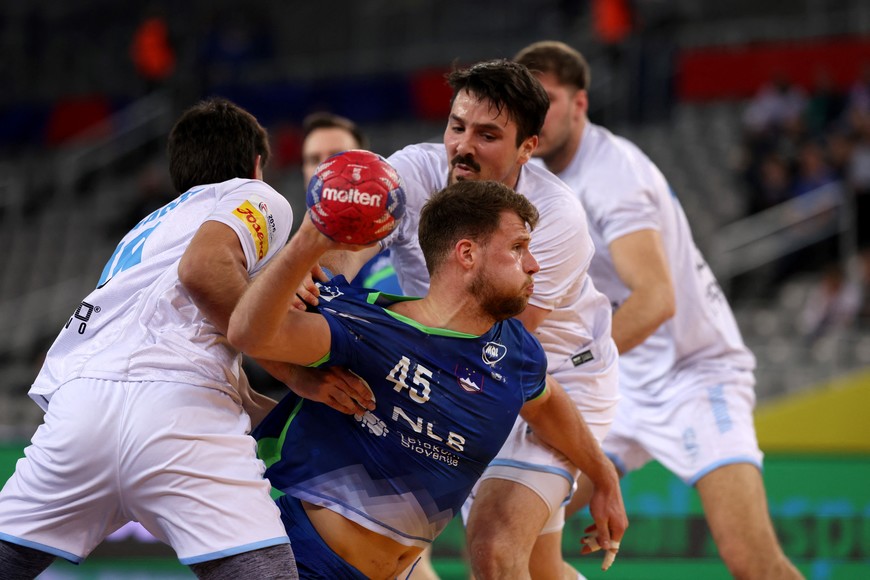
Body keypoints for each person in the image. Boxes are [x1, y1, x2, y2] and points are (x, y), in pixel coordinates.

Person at [0, 97, 373, 579]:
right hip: (178, 410)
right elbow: (201, 271)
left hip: (77, 413)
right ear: (257, 165)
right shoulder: (256, 196)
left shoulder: (147, 230)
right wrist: (297, 375)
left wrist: (293, 416)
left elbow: (199, 346)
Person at [323, 59, 626, 579]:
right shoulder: (412, 174)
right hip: (449, 369)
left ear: (527, 147)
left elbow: (499, 344)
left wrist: (602, 473)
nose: (463, 146)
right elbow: (342, 260)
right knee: (538, 568)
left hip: (553, 380)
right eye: (456, 126)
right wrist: (326, 284)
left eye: (488, 135)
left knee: (493, 549)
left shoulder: (554, 218)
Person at [228, 179, 620, 579]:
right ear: (467, 253)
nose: (534, 263)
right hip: (304, 561)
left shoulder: (516, 352)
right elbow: (247, 334)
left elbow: (548, 404)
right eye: (518, 248)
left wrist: (603, 476)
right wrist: (304, 248)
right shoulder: (362, 324)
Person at [515, 40, 804, 579]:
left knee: (754, 564)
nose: (537, 111)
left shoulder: (611, 174)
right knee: (514, 526)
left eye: (548, 98)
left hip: (692, 375)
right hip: (623, 382)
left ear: (580, 104)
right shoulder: (529, 176)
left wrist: (569, 367)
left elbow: (655, 300)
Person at [301, 111, 402, 294]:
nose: (326, 170)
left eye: (337, 157)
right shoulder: (288, 262)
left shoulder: (402, 247)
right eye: (314, 159)